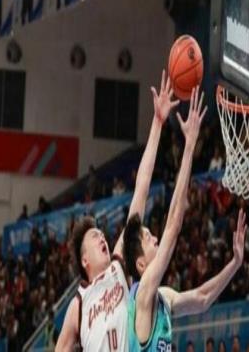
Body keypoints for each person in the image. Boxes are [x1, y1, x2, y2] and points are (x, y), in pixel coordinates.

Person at [55, 71, 179, 351]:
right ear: (84, 260)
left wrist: (157, 123)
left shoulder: (118, 265)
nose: (102, 236)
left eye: (100, 233)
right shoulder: (78, 305)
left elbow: (141, 190)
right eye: (94, 237)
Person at [124, 91, 247, 352]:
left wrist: (235, 264)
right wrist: (189, 146)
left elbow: (203, 298)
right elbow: (173, 225)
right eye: (147, 237)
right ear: (141, 264)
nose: (155, 237)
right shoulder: (142, 294)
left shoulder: (162, 297)